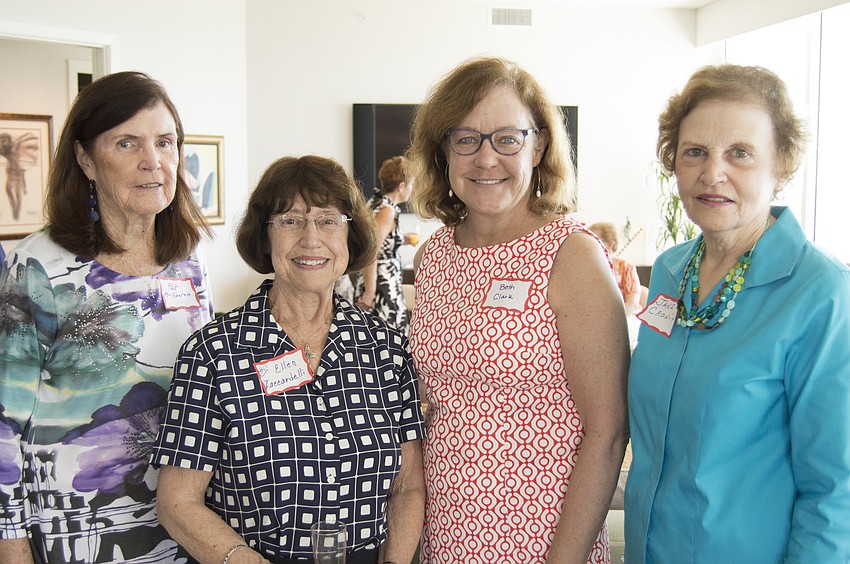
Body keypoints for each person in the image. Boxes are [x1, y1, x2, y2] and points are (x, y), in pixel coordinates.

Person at [407, 57, 630, 563]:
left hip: (544, 541)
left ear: (540, 146)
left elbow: (609, 432)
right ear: (443, 152)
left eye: (508, 138)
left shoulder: (571, 256)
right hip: (446, 537)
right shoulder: (435, 256)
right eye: (466, 138)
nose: (486, 159)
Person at [150, 155, 426, 564]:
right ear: (265, 237)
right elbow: (177, 502)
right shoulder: (213, 354)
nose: (311, 239)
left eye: (329, 220)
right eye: (290, 221)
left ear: (350, 235)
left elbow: (408, 486)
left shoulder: (387, 349)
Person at [625, 64, 850, 562]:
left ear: (782, 164)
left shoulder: (822, 294)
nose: (712, 173)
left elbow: (837, 490)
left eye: (740, 153)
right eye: (695, 152)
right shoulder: (669, 272)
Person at [0, 71, 214, 563]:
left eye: (165, 142)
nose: (152, 162)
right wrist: (11, 549)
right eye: (126, 143)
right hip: (77, 526)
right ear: (85, 159)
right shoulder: (39, 266)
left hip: (182, 516)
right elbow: (4, 422)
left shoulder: (189, 257)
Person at [354, 155, 415, 333]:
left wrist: (402, 240)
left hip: (378, 283)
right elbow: (372, 250)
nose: (412, 189)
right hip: (382, 288)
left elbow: (377, 239)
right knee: (389, 341)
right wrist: (370, 292)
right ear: (402, 185)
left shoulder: (376, 203)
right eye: (411, 184)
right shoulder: (386, 211)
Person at [588, 222, 641, 314]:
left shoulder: (626, 268)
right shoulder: (587, 269)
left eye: (594, 241)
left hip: (624, 319)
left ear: (610, 244)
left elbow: (632, 304)